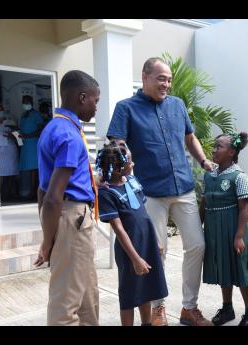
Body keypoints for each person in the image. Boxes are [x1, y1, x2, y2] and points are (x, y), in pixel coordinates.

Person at [106, 57, 213, 326]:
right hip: (150, 191)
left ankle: (189, 307)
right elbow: (117, 141)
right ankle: (158, 308)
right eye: (160, 78)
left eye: (169, 79)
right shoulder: (126, 108)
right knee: (157, 250)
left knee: (197, 246)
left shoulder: (177, 105)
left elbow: (190, 137)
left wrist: (203, 161)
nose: (166, 83)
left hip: (183, 186)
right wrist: (120, 162)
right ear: (144, 77)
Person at [34, 70, 100, 326]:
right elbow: (52, 197)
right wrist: (48, 242)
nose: (96, 107)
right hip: (73, 219)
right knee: (66, 304)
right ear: (82, 97)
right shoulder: (70, 136)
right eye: (95, 100)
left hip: (68, 219)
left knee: (87, 298)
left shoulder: (53, 128)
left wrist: (49, 234)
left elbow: (42, 190)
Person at [96, 141, 168, 326]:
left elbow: (144, 213)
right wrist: (135, 259)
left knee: (147, 289)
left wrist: (156, 240)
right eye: (129, 161)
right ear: (119, 168)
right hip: (129, 249)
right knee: (129, 292)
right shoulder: (107, 193)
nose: (133, 164)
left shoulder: (132, 181)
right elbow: (118, 229)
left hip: (147, 242)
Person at [200, 132, 248, 326]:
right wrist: (200, 227)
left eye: (219, 147)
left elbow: (244, 209)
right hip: (214, 230)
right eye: (214, 146)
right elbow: (203, 202)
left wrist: (239, 236)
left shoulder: (239, 176)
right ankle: (227, 308)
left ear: (232, 152)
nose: (214, 150)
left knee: (240, 268)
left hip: (234, 230)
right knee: (222, 267)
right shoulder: (209, 175)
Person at [19, 95, 44, 200]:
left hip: (33, 144)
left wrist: (28, 136)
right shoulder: (23, 115)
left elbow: (40, 130)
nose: (26, 104)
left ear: (31, 102)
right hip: (25, 145)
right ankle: (28, 191)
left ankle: (34, 192)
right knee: (27, 168)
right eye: (24, 102)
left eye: (27, 102)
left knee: (35, 168)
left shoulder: (36, 114)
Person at [0, 103, 19, 201]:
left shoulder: (10, 119)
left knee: (12, 173)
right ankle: (2, 195)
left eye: (0, 109)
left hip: (10, 149)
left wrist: (13, 136)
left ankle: (13, 194)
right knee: (1, 174)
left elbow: (18, 133)